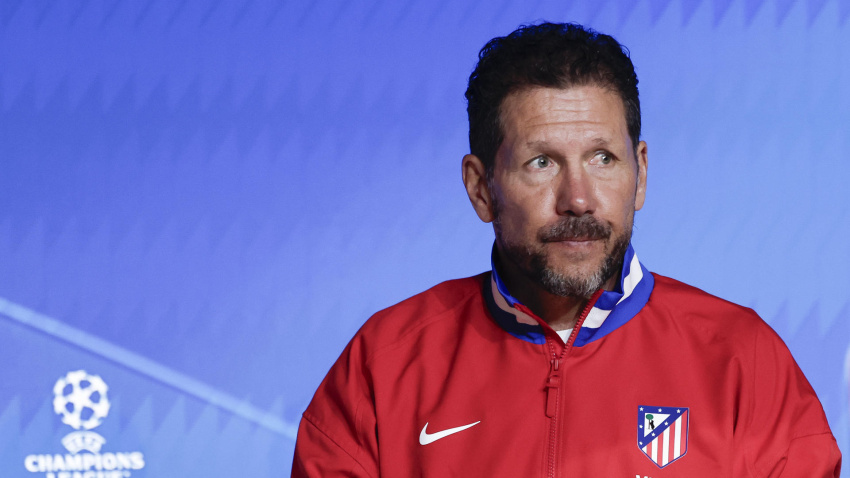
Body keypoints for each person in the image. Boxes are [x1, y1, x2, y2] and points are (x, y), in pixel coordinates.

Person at [292, 22, 841, 477]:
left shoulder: (743, 360)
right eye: (542, 163)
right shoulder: (384, 365)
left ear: (641, 174)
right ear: (481, 189)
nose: (578, 199)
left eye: (603, 158)